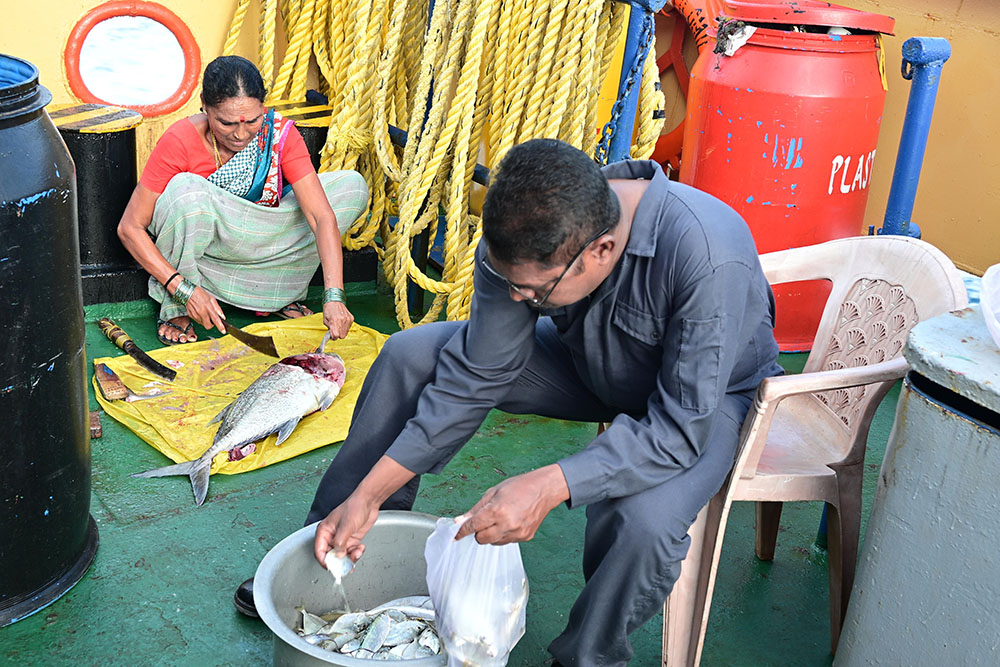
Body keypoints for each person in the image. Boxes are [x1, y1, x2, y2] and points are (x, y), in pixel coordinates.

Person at [237, 138, 783, 664]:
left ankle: (584, 657)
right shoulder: (524, 237)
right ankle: (339, 541)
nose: (520, 299)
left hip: (702, 404)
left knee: (643, 521)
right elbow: (479, 372)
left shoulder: (708, 255)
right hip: (584, 362)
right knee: (410, 355)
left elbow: (680, 427)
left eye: (535, 294)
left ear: (602, 251)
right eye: (510, 284)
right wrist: (370, 492)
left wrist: (548, 484)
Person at [118, 55, 369, 345]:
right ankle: (178, 308)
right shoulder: (180, 140)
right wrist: (184, 289)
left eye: (252, 120)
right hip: (206, 263)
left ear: (264, 107)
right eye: (225, 123)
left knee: (351, 188)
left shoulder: (278, 134)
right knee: (186, 191)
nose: (240, 134)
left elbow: (320, 216)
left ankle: (277, 292)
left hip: (265, 244)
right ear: (204, 105)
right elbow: (130, 228)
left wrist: (334, 296)